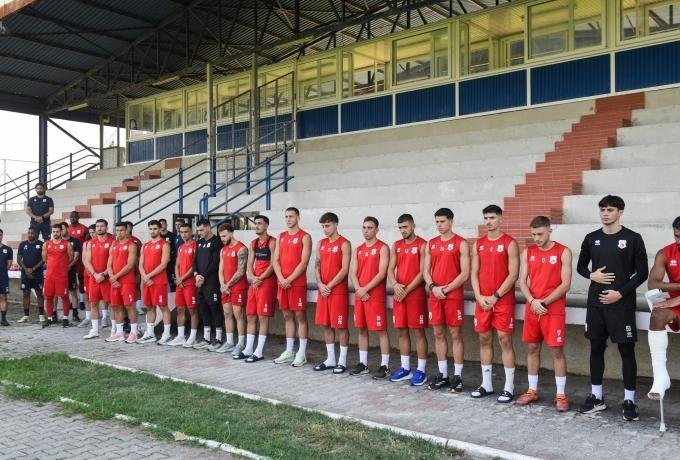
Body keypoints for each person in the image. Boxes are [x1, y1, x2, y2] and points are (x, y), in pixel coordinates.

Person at [576, 195, 648, 421]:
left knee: (626, 351)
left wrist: (620, 293)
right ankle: (597, 397)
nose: (605, 214)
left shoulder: (633, 238)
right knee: (596, 348)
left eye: (610, 210)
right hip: (596, 304)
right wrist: (592, 275)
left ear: (620, 212)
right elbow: (580, 266)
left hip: (622, 304)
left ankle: (629, 401)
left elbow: (642, 273)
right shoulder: (591, 238)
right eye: (602, 210)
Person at [516, 216, 572, 412]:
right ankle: (532, 390)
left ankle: (561, 394)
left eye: (540, 234)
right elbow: (522, 281)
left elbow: (565, 284)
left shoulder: (563, 251)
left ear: (550, 230)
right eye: (533, 234)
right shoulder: (528, 252)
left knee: (556, 351)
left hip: (552, 309)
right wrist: (532, 301)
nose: (536, 238)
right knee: (532, 348)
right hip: (533, 307)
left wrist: (544, 302)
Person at [470, 205, 519, 403]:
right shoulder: (478, 244)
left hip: (502, 300)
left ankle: (509, 387)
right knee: (484, 339)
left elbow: (513, 275)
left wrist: (496, 296)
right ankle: (487, 384)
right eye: (486, 218)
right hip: (482, 300)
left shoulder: (509, 243)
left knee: (504, 340)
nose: (488, 221)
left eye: (492, 218)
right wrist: (479, 296)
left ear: (501, 219)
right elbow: (474, 272)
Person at [423, 208, 470, 391]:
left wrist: (446, 289)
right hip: (435, 295)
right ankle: (443, 374)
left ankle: (458, 376)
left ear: (451, 221)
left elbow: (465, 273)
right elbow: (425, 271)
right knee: (438, 334)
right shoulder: (431, 243)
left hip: (453, 296)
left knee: (455, 334)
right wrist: (433, 288)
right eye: (437, 222)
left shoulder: (461, 243)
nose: (439, 225)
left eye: (442, 221)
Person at [387, 214, 428, 386]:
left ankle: (421, 370)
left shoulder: (422, 244)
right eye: (400, 228)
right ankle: (405, 368)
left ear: (413, 226)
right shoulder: (396, 245)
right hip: (399, 294)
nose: (403, 230)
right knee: (401, 331)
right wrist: (395, 284)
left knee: (418, 332)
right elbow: (390, 269)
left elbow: (423, 272)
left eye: (405, 227)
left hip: (415, 295)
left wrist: (407, 290)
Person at [349, 216, 391, 379]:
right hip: (360, 295)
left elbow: (382, 273)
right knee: (361, 329)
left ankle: (385, 366)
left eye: (370, 228)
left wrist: (365, 289)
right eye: (364, 227)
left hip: (375, 296)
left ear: (377, 230)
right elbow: (353, 273)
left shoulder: (382, 248)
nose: (366, 231)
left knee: (381, 330)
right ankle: (363, 364)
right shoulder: (358, 249)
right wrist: (359, 289)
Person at [272, 207, 312, 367]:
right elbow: (275, 260)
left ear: (298, 217)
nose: (288, 219)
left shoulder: (305, 236)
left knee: (300, 316)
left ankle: (301, 353)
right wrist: (281, 278)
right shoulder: (281, 236)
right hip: (283, 283)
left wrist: (289, 279)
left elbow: (304, 262)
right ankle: (289, 351)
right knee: (287, 316)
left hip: (297, 283)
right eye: (286, 216)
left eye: (291, 216)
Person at [646, 216, 680, 401]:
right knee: (657, 314)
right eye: (677, 236)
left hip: (677, 301)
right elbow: (652, 283)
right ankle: (660, 377)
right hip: (674, 303)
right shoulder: (665, 252)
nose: (679, 241)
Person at [313, 212, 351, 373]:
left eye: (327, 226)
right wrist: (320, 284)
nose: (325, 229)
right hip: (323, 290)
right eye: (323, 226)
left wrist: (329, 285)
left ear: (335, 224)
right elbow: (317, 265)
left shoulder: (344, 243)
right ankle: (331, 359)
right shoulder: (320, 243)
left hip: (337, 291)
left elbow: (344, 269)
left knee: (340, 326)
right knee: (326, 325)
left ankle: (342, 361)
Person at [244, 215, 277, 362]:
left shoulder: (272, 242)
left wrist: (260, 278)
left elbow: (273, 264)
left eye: (260, 223)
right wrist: (252, 277)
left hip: (267, 282)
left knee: (262, 317)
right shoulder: (253, 243)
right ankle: (248, 349)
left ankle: (259, 351)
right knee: (250, 315)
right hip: (255, 282)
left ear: (266, 226)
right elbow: (249, 263)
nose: (257, 226)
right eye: (255, 223)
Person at [136, 220, 171, 344]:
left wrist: (149, 276)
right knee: (149, 307)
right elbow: (140, 264)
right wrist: (144, 276)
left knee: (163, 307)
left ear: (160, 229)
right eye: (150, 229)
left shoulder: (164, 244)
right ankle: (150, 334)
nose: (152, 231)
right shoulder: (145, 245)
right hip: (146, 281)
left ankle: (167, 334)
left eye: (155, 228)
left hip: (159, 281)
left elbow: (163, 263)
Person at [217, 223, 249, 356]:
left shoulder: (241, 248)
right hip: (225, 288)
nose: (222, 239)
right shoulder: (223, 250)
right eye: (221, 236)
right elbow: (221, 270)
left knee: (238, 314)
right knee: (227, 314)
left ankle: (241, 343)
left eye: (224, 236)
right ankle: (229, 342)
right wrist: (222, 285)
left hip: (238, 287)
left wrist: (228, 285)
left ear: (231, 233)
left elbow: (241, 271)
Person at [105, 222, 139, 343]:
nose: (119, 233)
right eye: (117, 230)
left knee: (129, 306)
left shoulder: (132, 245)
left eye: (122, 230)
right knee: (116, 306)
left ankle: (134, 332)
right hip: (114, 282)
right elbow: (109, 264)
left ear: (127, 231)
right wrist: (111, 276)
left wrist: (116, 277)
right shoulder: (113, 244)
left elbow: (130, 265)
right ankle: (119, 332)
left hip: (127, 281)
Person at [192, 219, 223, 350]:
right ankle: (206, 338)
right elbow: (194, 261)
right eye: (198, 230)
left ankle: (219, 339)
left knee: (215, 309)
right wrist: (196, 274)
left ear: (209, 228)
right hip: (200, 282)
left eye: (202, 230)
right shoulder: (199, 242)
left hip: (212, 282)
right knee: (203, 309)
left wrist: (203, 276)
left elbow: (216, 263)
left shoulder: (217, 242)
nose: (199, 233)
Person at [82, 219, 114, 339]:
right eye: (97, 226)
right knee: (94, 303)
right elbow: (87, 261)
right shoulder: (91, 243)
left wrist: (104, 274)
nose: (99, 228)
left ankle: (114, 330)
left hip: (107, 277)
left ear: (107, 228)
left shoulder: (112, 241)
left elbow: (113, 261)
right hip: (94, 278)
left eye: (102, 226)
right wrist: (95, 274)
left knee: (111, 304)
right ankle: (94, 330)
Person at [168, 223, 199, 347]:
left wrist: (182, 278)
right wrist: (178, 278)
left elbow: (194, 266)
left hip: (190, 282)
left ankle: (192, 337)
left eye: (186, 232)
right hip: (180, 283)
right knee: (180, 309)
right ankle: (181, 336)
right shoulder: (181, 247)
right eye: (181, 232)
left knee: (192, 310)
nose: (184, 234)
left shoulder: (195, 245)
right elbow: (177, 265)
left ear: (191, 232)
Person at [42, 223, 73, 327]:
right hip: (50, 275)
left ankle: (65, 318)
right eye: (54, 232)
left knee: (64, 296)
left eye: (57, 232)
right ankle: (50, 318)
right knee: (48, 296)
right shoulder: (46, 244)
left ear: (61, 232)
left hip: (61, 275)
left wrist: (62, 266)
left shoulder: (67, 244)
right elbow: (44, 258)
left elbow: (71, 257)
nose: (55, 233)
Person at [17, 227, 45, 324]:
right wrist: (26, 270)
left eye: (32, 233)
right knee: (26, 293)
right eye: (29, 233)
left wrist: (33, 269)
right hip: (25, 273)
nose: (30, 235)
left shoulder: (41, 244)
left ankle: (41, 315)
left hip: (37, 273)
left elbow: (44, 259)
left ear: (36, 234)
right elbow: (19, 259)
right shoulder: (22, 244)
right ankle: (26, 316)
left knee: (39, 293)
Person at [60, 222, 82, 323]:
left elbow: (76, 256)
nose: (61, 231)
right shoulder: (57, 242)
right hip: (59, 272)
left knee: (73, 292)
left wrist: (69, 266)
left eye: (63, 229)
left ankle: (75, 313)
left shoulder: (75, 241)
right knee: (58, 293)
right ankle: (55, 315)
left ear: (67, 229)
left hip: (71, 270)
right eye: (60, 229)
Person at [68, 211, 88, 311]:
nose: (72, 218)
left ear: (78, 217)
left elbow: (87, 242)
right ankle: (72, 301)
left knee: (80, 278)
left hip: (80, 258)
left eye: (74, 217)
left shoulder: (84, 228)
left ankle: (82, 301)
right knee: (70, 280)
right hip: (69, 258)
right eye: (71, 217)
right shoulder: (67, 229)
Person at [77, 224, 96, 328]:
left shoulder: (105, 242)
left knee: (103, 298)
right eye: (90, 232)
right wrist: (88, 268)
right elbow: (84, 259)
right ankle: (88, 317)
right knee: (88, 296)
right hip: (88, 273)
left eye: (94, 232)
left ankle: (104, 317)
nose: (92, 234)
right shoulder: (86, 243)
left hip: (99, 273)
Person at [159, 218, 177, 293]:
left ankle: (173, 296)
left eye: (163, 224)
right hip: (159, 262)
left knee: (171, 281)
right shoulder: (157, 236)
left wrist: (170, 257)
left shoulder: (172, 235)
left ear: (166, 225)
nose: (162, 226)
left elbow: (176, 249)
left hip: (170, 262)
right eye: (160, 224)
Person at [0, 229, 13, 326]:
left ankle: (3, 319)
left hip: (3, 277)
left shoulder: (8, 249)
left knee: (3, 296)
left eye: (0, 235)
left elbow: (9, 264)